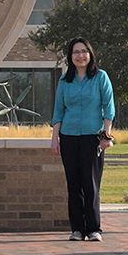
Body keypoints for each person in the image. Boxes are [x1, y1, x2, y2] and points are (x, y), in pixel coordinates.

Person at [50, 37, 115, 242]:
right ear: (70, 56)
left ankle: (94, 228)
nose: (80, 55)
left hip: (92, 138)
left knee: (91, 183)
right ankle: (77, 229)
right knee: (73, 184)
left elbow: (109, 109)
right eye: (76, 52)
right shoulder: (64, 81)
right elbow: (58, 111)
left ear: (90, 54)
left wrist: (105, 136)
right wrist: (54, 139)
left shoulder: (100, 77)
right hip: (68, 137)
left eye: (84, 51)